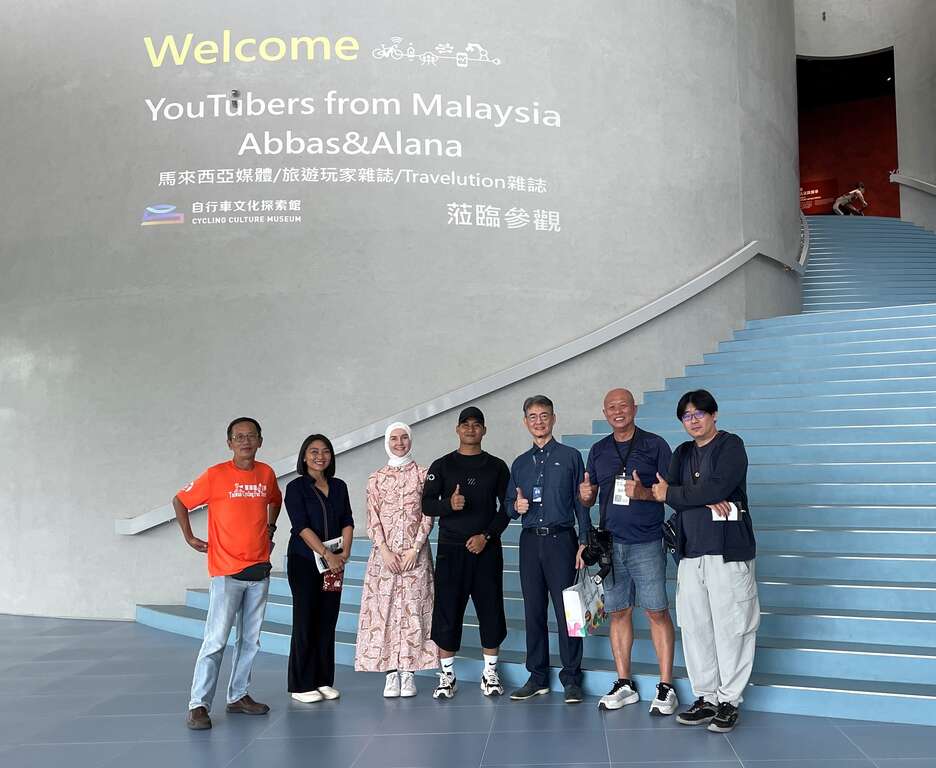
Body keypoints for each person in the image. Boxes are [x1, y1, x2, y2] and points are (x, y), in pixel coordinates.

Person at [650, 390, 758, 734]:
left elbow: (709, 488)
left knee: (733, 627)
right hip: (690, 552)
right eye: (686, 416)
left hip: (727, 552)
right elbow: (670, 494)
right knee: (696, 628)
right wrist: (700, 498)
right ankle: (707, 697)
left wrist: (688, 496)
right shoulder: (681, 452)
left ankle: (729, 701)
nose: (693, 421)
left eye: (699, 414)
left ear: (714, 415)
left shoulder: (731, 446)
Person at [173, 417, 282, 730]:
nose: (245, 441)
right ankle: (198, 705)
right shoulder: (216, 475)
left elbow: (276, 500)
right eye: (239, 436)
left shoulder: (266, 473)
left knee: (250, 640)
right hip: (225, 571)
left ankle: (238, 696)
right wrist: (189, 536)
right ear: (230, 443)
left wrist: (270, 528)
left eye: (251, 436)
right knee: (216, 640)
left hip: (259, 570)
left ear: (260, 441)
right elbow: (180, 500)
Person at [579, 389, 678, 715]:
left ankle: (666, 687)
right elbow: (590, 498)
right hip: (610, 544)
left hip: (647, 542)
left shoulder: (656, 445)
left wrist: (645, 492)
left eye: (624, 405)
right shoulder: (599, 450)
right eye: (611, 407)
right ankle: (625, 684)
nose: (618, 411)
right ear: (605, 413)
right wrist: (586, 497)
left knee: (656, 612)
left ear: (634, 409)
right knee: (618, 613)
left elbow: (672, 494)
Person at [504, 395, 591, 704]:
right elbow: (507, 507)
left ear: (554, 418)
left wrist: (585, 541)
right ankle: (538, 676)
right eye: (532, 416)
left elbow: (581, 502)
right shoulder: (520, 463)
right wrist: (516, 506)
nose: (538, 421)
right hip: (530, 542)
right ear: (525, 421)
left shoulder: (570, 457)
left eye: (544, 415)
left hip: (562, 541)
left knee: (569, 611)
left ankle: (571, 678)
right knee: (533, 611)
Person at [422, 407, 510, 699]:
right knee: (447, 612)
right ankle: (447, 675)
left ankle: (490, 673)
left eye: (477, 425)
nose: (471, 429)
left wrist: (486, 536)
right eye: (465, 424)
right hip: (450, 550)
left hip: (486, 549)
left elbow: (506, 509)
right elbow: (426, 505)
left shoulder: (497, 467)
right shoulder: (442, 465)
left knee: (490, 610)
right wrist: (449, 504)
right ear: (457, 430)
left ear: (484, 430)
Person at [355, 422, 438, 697]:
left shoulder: (424, 475)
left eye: (404, 438)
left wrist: (415, 548)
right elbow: (372, 518)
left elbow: (429, 514)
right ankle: (390, 672)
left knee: (414, 609)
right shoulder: (375, 478)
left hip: (416, 555)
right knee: (385, 611)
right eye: (394, 438)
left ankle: (408, 671)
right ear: (386, 442)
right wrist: (384, 551)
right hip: (385, 558)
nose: (400, 443)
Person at [284, 434, 354, 703]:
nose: (320, 456)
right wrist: (326, 553)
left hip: (334, 564)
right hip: (304, 562)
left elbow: (347, 520)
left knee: (327, 619)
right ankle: (301, 685)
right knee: (306, 619)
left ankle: (323, 679)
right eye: (313, 452)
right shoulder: (296, 487)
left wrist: (344, 553)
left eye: (325, 451)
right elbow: (300, 526)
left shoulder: (339, 486)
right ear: (304, 456)